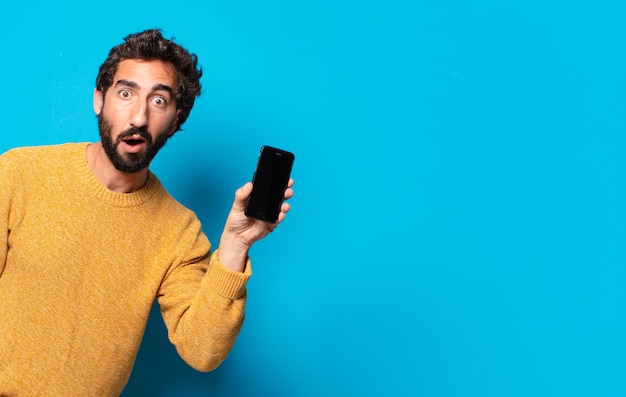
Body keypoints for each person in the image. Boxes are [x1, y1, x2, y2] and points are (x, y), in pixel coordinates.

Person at [0, 29, 293, 396]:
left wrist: (236, 244)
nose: (138, 116)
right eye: (126, 93)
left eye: (158, 101)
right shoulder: (18, 174)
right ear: (99, 99)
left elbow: (202, 351)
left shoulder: (180, 232)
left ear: (175, 119)